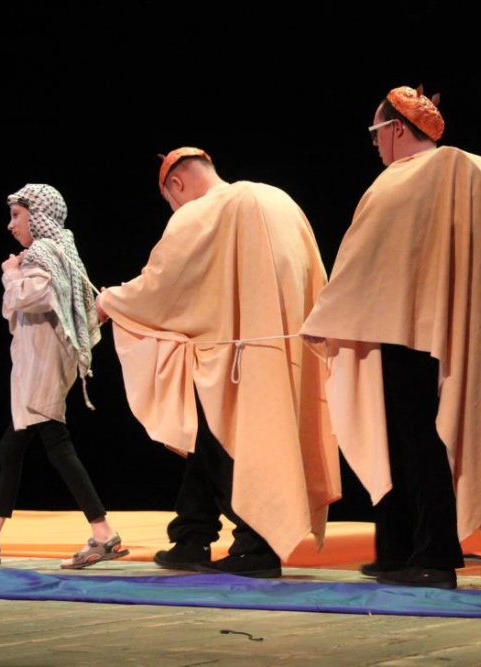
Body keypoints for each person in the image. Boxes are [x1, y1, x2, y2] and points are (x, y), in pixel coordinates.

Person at [300, 85, 481, 589]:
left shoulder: (407, 179)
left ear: (396, 128)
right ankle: (401, 548)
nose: (375, 144)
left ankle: (434, 554)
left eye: (376, 133)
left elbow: (363, 264)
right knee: (408, 440)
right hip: (453, 329)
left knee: (416, 440)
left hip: (406, 333)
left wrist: (321, 318)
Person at [95, 147, 339, 578]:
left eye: (170, 201)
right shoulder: (280, 199)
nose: (174, 209)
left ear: (176, 183)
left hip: (235, 355)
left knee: (220, 437)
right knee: (207, 435)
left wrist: (111, 301)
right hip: (287, 350)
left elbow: (164, 284)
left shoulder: (203, 211)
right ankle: (192, 534)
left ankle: (256, 545)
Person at [0, 183, 129, 570]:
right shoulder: (63, 250)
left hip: (40, 367)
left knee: (53, 445)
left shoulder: (41, 252)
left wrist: (10, 273)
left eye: (17, 215)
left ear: (37, 216)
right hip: (47, 364)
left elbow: (28, 298)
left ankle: (102, 534)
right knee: (15, 447)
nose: (10, 224)